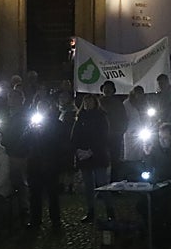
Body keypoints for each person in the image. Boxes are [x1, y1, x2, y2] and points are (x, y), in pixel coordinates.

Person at [22, 99, 70, 230]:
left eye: (44, 107)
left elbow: (62, 144)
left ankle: (55, 220)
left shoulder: (57, 124)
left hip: (51, 164)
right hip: (35, 164)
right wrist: (32, 130)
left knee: (52, 194)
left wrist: (61, 164)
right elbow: (24, 142)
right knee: (34, 194)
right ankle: (35, 220)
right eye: (39, 107)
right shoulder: (32, 125)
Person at [72, 93, 110, 223]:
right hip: (85, 156)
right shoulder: (80, 117)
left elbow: (103, 136)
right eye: (86, 102)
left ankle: (110, 211)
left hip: (97, 155)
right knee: (88, 186)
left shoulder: (101, 117)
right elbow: (74, 135)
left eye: (90, 102)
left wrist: (91, 150)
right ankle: (91, 211)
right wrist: (78, 150)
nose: (87, 104)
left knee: (102, 185)